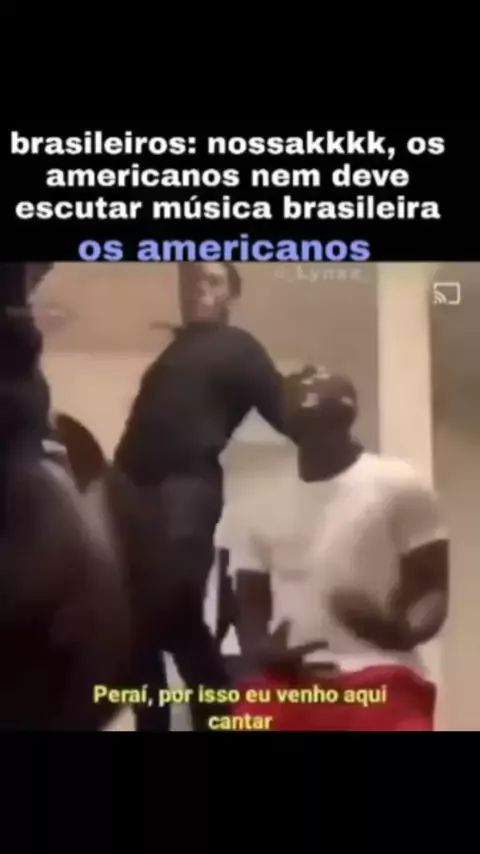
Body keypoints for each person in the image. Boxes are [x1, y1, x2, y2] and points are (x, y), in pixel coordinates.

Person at [114, 261, 287, 731]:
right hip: (129, 495)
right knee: (135, 624)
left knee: (172, 603)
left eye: (213, 281)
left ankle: (217, 715)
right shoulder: (170, 357)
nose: (200, 289)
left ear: (232, 294)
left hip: (186, 487)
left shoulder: (239, 347)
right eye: (193, 281)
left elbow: (285, 413)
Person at [232, 366, 449, 731]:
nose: (319, 435)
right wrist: (264, 650)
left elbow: (433, 587)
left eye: (330, 422)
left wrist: (401, 632)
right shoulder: (258, 502)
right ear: (289, 428)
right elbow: (249, 604)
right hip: (290, 684)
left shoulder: (398, 483)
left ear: (348, 418)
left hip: (380, 673)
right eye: (307, 425)